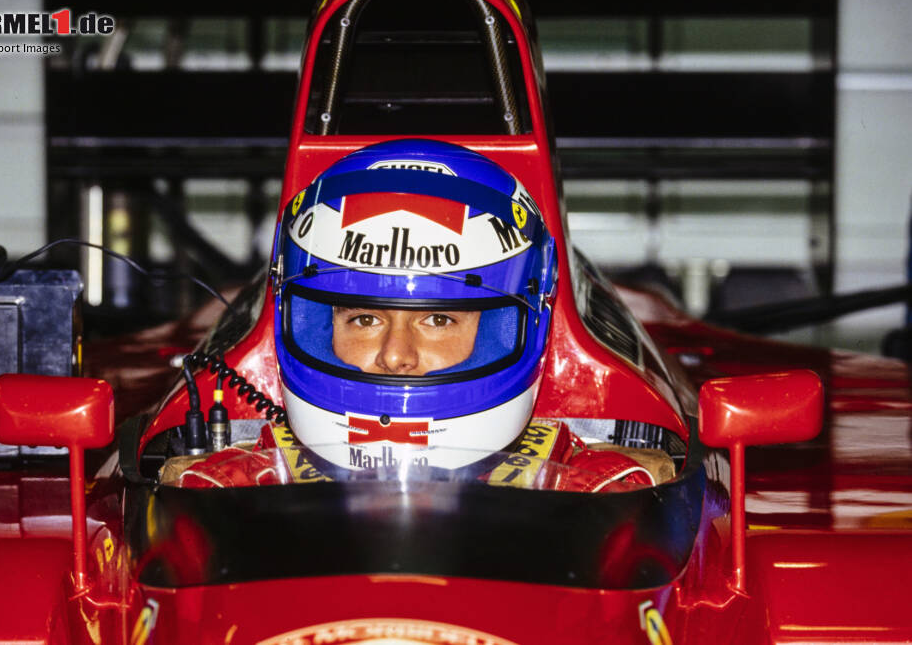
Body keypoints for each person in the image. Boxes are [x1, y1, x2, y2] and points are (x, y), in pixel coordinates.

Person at [176, 140, 666, 491]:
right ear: (311, 324)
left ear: (510, 326)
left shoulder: (616, 490)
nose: (396, 357)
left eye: (437, 319)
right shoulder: (217, 488)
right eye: (364, 319)